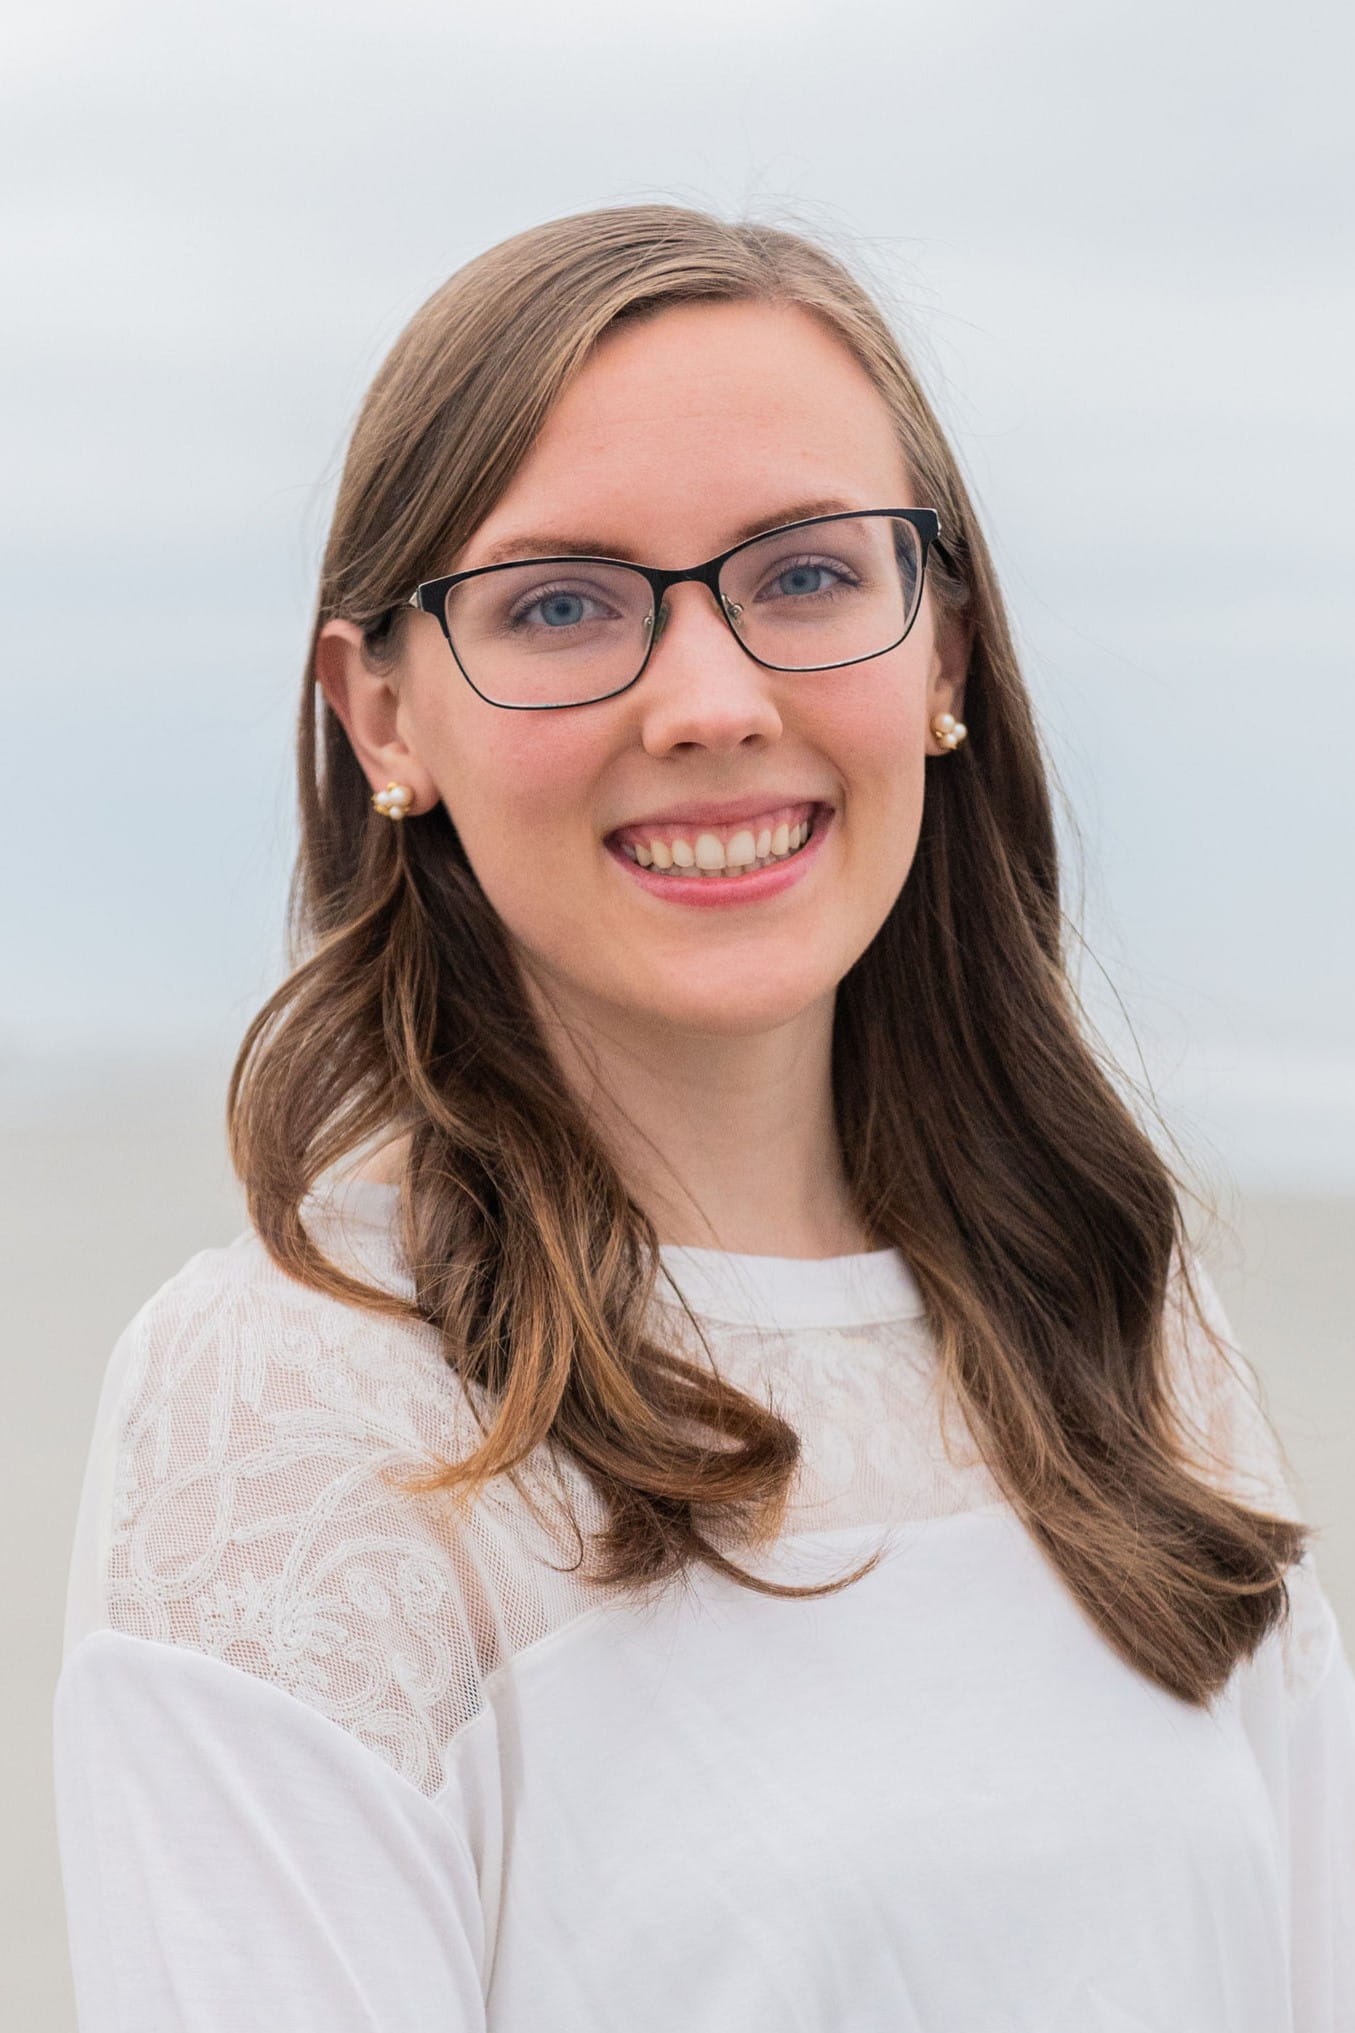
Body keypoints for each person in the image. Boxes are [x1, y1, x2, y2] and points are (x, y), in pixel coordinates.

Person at [54, 204, 1354, 2031]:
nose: (715, 702)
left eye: (809, 576)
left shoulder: (1119, 1315)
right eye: (563, 605)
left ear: (949, 653)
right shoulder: (298, 1409)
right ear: (381, 716)